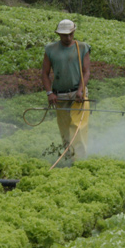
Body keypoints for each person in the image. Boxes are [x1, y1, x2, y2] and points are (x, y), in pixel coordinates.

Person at [41, 19, 91, 160]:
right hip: (60, 95)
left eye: (70, 34)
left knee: (78, 128)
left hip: (78, 94)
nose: (67, 38)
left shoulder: (82, 47)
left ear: (74, 32)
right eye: (64, 35)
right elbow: (44, 73)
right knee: (64, 129)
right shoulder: (50, 49)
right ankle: (69, 157)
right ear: (58, 34)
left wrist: (81, 90)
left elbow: (86, 72)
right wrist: (49, 93)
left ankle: (79, 161)